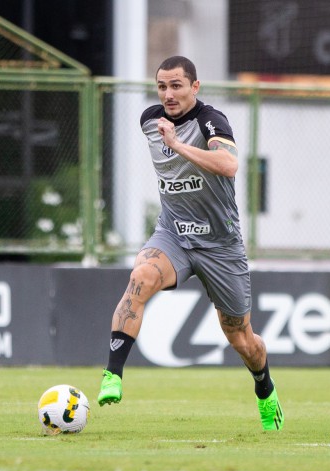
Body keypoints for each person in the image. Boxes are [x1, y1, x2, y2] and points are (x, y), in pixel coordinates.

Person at [97, 55, 283, 431]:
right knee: (141, 276)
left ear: (195, 87)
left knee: (241, 340)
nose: (168, 94)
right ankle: (112, 375)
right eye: (162, 86)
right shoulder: (149, 120)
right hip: (174, 233)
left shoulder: (211, 121)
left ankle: (265, 388)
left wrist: (178, 145)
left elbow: (229, 166)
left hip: (221, 245)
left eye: (176, 85)